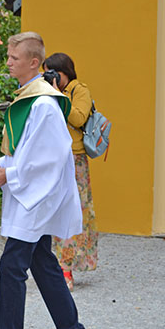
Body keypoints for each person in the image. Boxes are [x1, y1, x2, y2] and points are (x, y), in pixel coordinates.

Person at [0, 32, 90, 329]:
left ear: (33, 62)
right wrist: (5, 164)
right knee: (42, 261)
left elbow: (51, 157)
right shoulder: (31, 98)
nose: (8, 62)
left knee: (12, 266)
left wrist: (12, 174)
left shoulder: (43, 104)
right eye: (8, 56)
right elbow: (28, 152)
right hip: (34, 192)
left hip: (39, 196)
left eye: (14, 57)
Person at [43, 52, 98, 290]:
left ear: (66, 72)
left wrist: (57, 95)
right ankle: (52, 266)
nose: (52, 78)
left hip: (74, 158)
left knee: (74, 211)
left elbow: (77, 118)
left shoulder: (79, 90)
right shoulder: (47, 92)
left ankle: (67, 269)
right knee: (50, 210)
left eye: (55, 73)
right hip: (51, 156)